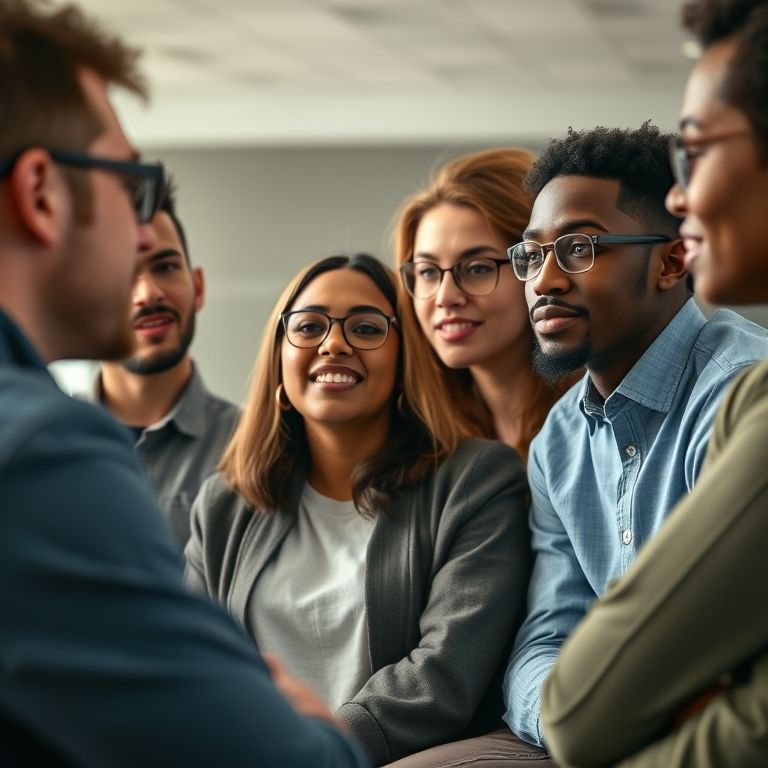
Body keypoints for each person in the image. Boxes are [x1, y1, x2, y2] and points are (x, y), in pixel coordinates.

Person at [0, 1, 367, 765]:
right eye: (131, 185)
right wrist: (319, 731)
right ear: (40, 194)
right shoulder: (41, 452)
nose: (142, 235)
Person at [185, 253, 532, 767]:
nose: (334, 343)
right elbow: (190, 665)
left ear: (404, 360)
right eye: (309, 326)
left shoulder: (479, 481)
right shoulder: (224, 504)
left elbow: (444, 675)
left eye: (367, 327)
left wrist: (312, 749)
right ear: (279, 356)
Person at [540, 1, 768, 766]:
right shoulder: (559, 437)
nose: (680, 196)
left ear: (669, 263)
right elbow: (551, 663)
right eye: (530, 253)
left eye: (695, 152)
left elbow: (583, 711)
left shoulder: (748, 392)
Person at [394, 148, 574, 463]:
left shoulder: (593, 422)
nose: (445, 296)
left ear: (536, 267)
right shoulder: (421, 444)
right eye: (427, 272)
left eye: (478, 268)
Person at [96, 184, 239, 546]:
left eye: (167, 266)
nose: (149, 294)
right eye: (122, 274)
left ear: (198, 287)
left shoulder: (252, 448)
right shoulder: (44, 446)